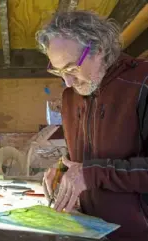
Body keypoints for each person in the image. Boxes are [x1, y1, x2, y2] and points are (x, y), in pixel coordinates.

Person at [36, 11, 148, 241]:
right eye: (58, 71)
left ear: (99, 49)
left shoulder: (142, 83)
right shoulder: (71, 96)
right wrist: (64, 169)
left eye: (72, 68)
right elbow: (80, 158)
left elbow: (91, 171)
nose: (67, 81)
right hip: (88, 229)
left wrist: (90, 174)